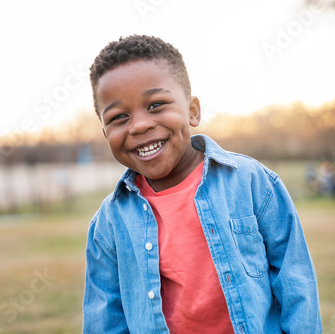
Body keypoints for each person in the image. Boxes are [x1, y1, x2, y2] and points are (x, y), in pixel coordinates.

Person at [83, 35, 322, 333]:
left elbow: (296, 284)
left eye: (156, 105)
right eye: (119, 117)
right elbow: (105, 319)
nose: (140, 125)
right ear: (105, 133)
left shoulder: (252, 183)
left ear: (193, 111)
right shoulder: (108, 225)